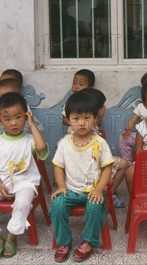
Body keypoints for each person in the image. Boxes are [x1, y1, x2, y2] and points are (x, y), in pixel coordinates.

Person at [0, 92, 48, 258]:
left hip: (24, 184)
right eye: (7, 119)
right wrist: (0, 186)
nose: (13, 123)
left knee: (22, 202)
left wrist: (32, 124)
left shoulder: (29, 139)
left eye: (19, 117)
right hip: (0, 184)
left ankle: (12, 237)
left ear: (25, 116)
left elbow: (42, 147)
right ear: (0, 120)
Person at [51, 91, 114, 263]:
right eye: (76, 118)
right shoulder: (65, 143)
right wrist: (62, 187)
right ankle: (63, 242)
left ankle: (89, 241)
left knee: (95, 209)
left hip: (92, 190)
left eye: (87, 118)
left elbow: (107, 167)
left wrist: (99, 189)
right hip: (70, 191)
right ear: (68, 120)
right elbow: (58, 165)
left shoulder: (100, 143)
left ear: (95, 119)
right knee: (57, 206)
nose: (81, 123)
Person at [80, 88, 128, 208]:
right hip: (89, 167)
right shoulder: (86, 130)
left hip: (98, 161)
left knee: (123, 164)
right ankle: (105, 194)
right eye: (103, 106)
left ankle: (108, 195)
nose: (105, 108)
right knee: (117, 170)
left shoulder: (95, 124)